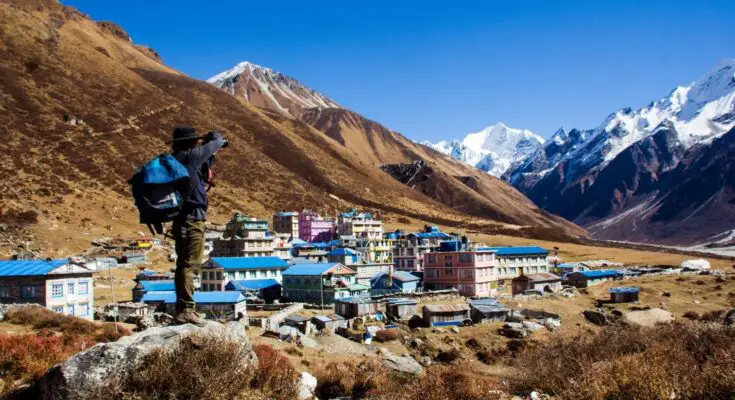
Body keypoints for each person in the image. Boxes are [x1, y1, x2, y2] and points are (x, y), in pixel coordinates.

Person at [169, 125, 227, 326]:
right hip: (192, 219)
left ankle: (181, 308)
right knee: (190, 265)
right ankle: (186, 309)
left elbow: (208, 161)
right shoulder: (191, 156)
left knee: (183, 263)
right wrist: (214, 137)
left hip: (181, 219)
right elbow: (217, 142)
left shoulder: (177, 159)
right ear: (191, 142)